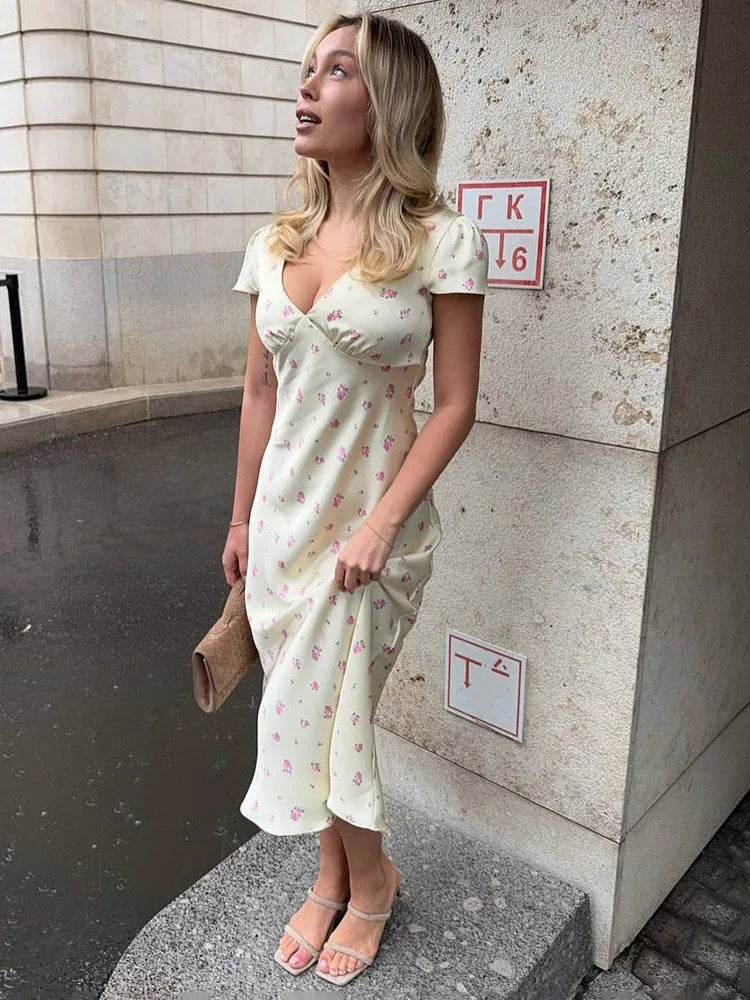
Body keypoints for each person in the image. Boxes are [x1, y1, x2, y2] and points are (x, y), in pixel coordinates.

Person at [224, 10, 489, 986]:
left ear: (386, 103)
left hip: (378, 530)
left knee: (338, 717)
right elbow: (258, 391)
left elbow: (457, 403)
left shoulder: (441, 241)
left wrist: (382, 522)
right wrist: (242, 520)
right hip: (287, 526)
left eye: (335, 71)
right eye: (308, 69)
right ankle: (334, 877)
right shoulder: (275, 239)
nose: (307, 87)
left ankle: (368, 883)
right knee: (302, 716)